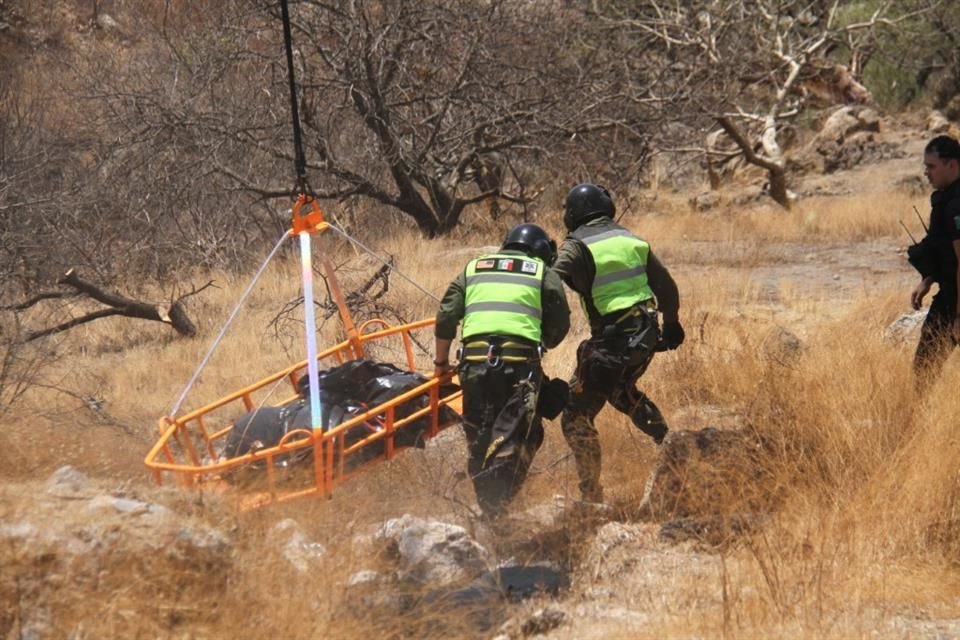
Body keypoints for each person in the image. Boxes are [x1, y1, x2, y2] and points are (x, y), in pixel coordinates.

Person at [552, 183, 683, 504]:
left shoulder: (576, 245)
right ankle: (670, 445)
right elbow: (667, 288)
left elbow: (549, 281)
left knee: (575, 416)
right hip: (647, 334)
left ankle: (590, 496)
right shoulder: (632, 240)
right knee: (622, 391)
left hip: (612, 341)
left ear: (573, 215)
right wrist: (673, 324)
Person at [434, 223, 571, 518]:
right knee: (525, 434)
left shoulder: (474, 268)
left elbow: (446, 315)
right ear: (541, 251)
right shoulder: (541, 271)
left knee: (480, 436)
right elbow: (560, 323)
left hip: (472, 367)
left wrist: (440, 365)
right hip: (519, 368)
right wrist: (541, 341)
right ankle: (498, 508)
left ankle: (489, 508)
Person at [909, 134, 960, 384]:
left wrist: (959, 316)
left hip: (955, 300)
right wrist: (927, 280)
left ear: (952, 165)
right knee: (924, 368)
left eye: (931, 166)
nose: (926, 173)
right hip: (950, 293)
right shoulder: (945, 199)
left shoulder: (956, 204)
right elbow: (943, 249)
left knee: (924, 368)